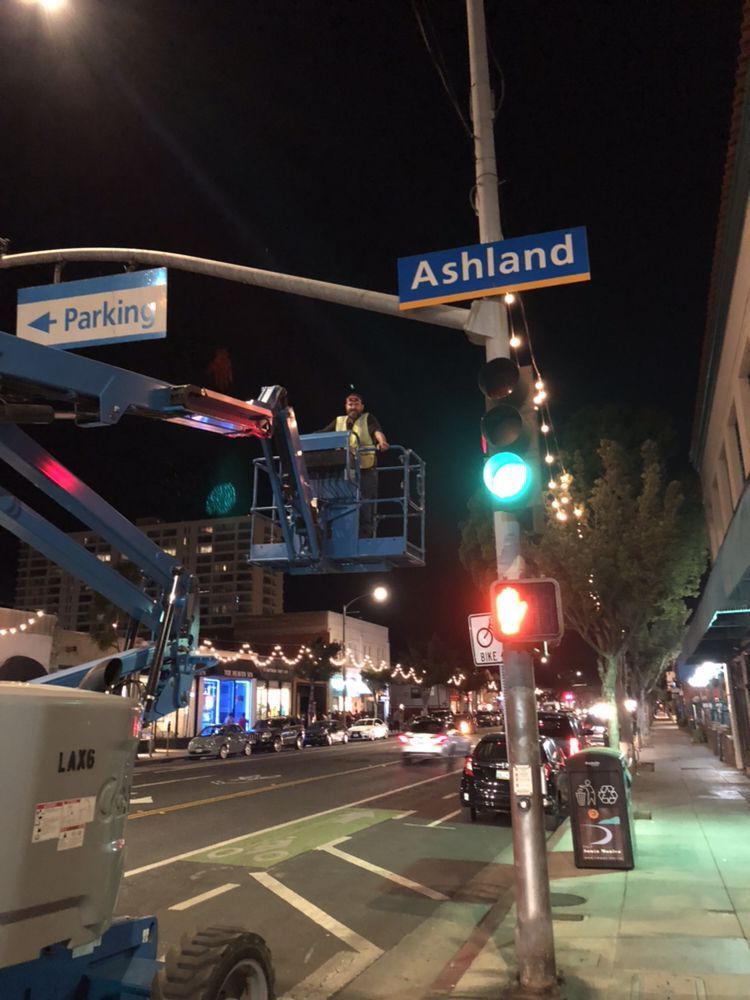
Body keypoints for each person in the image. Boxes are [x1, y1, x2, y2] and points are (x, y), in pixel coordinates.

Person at [321, 389, 389, 537]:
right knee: (338, 500)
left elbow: (376, 431)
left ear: (362, 407)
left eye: (356, 403)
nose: (353, 406)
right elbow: (323, 434)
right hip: (343, 470)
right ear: (346, 406)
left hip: (365, 468)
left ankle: (365, 535)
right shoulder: (339, 421)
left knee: (364, 502)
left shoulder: (368, 419)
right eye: (350, 403)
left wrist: (382, 442)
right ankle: (336, 533)